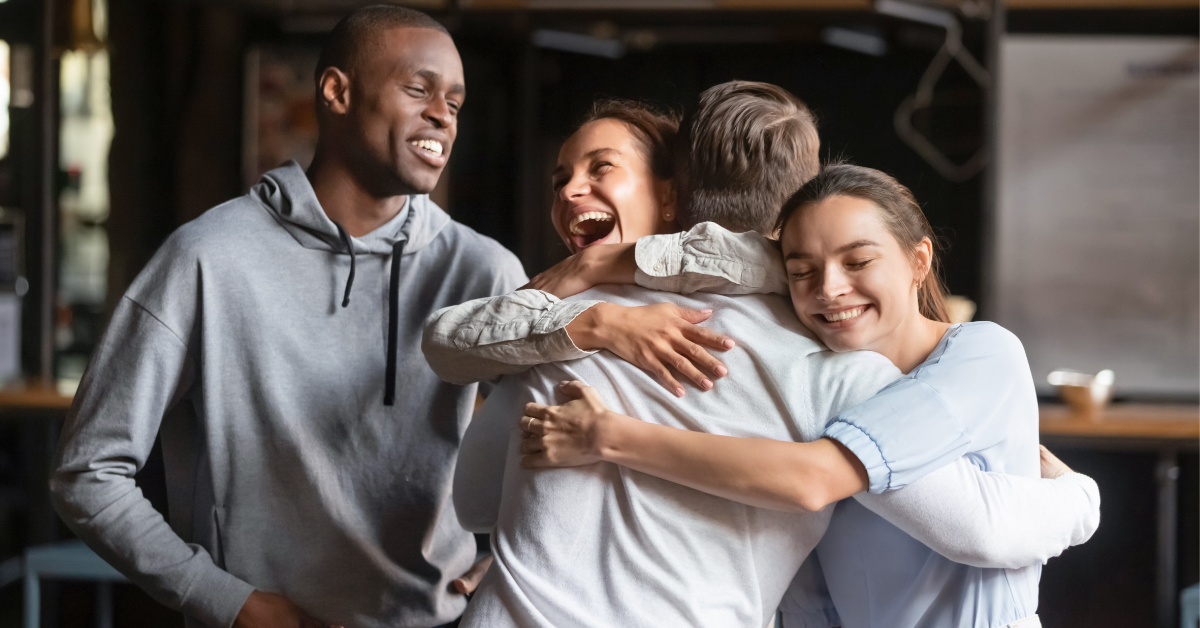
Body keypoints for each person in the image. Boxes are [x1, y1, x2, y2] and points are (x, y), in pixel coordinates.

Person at [425, 84, 1099, 627]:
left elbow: (475, 500)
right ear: (791, 219)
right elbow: (981, 528)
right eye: (806, 267)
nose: (830, 288)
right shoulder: (843, 374)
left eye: (602, 169)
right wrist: (1081, 500)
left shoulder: (565, 329)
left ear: (675, 196)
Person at [49, 6, 524, 628]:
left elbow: (579, 438)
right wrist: (227, 601)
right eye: (419, 89)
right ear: (337, 93)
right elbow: (86, 472)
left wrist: (518, 559)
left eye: (455, 102)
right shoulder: (208, 258)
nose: (443, 114)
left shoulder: (484, 271)